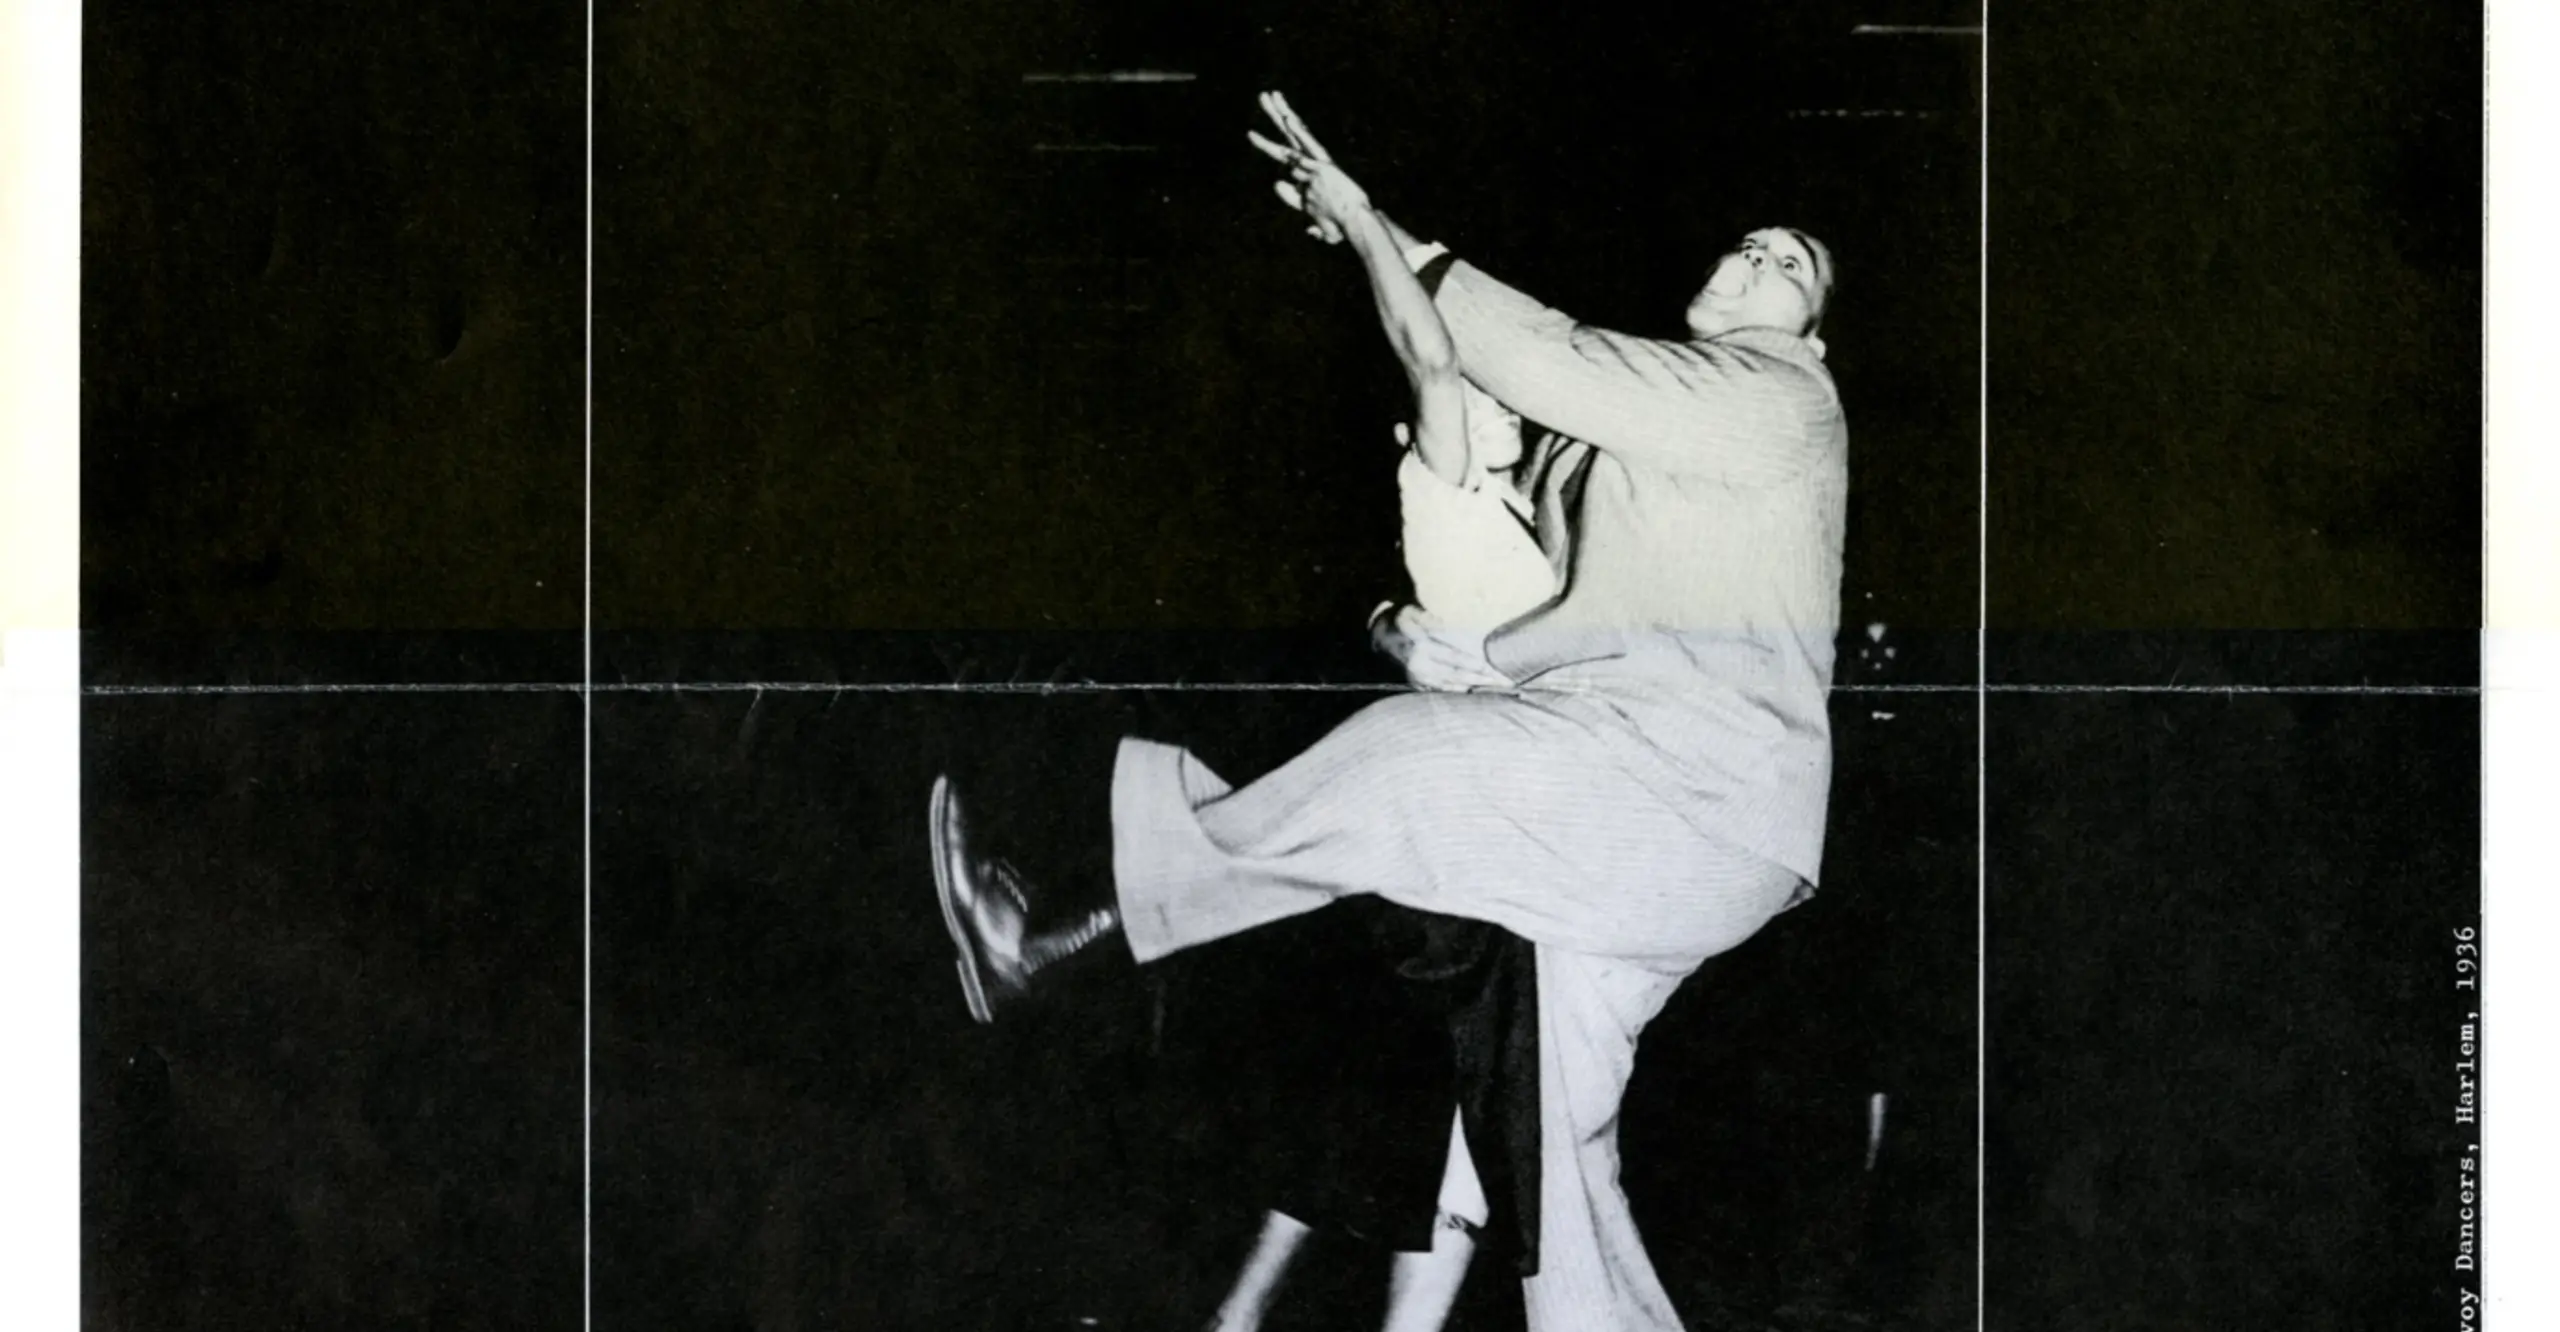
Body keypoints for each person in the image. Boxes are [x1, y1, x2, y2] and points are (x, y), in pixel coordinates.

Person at [928, 90, 1846, 1332]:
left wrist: (1374, 225)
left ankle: (1054, 943)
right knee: (1554, 1167)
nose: (1751, 257)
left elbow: (1540, 353)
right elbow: (1578, 609)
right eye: (1748, 241)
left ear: (1816, 334)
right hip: (1665, 829)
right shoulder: (1622, 467)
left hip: (1692, 797)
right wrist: (1433, 640)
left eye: (1787, 263)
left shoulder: (1773, 398)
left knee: (1401, 762)